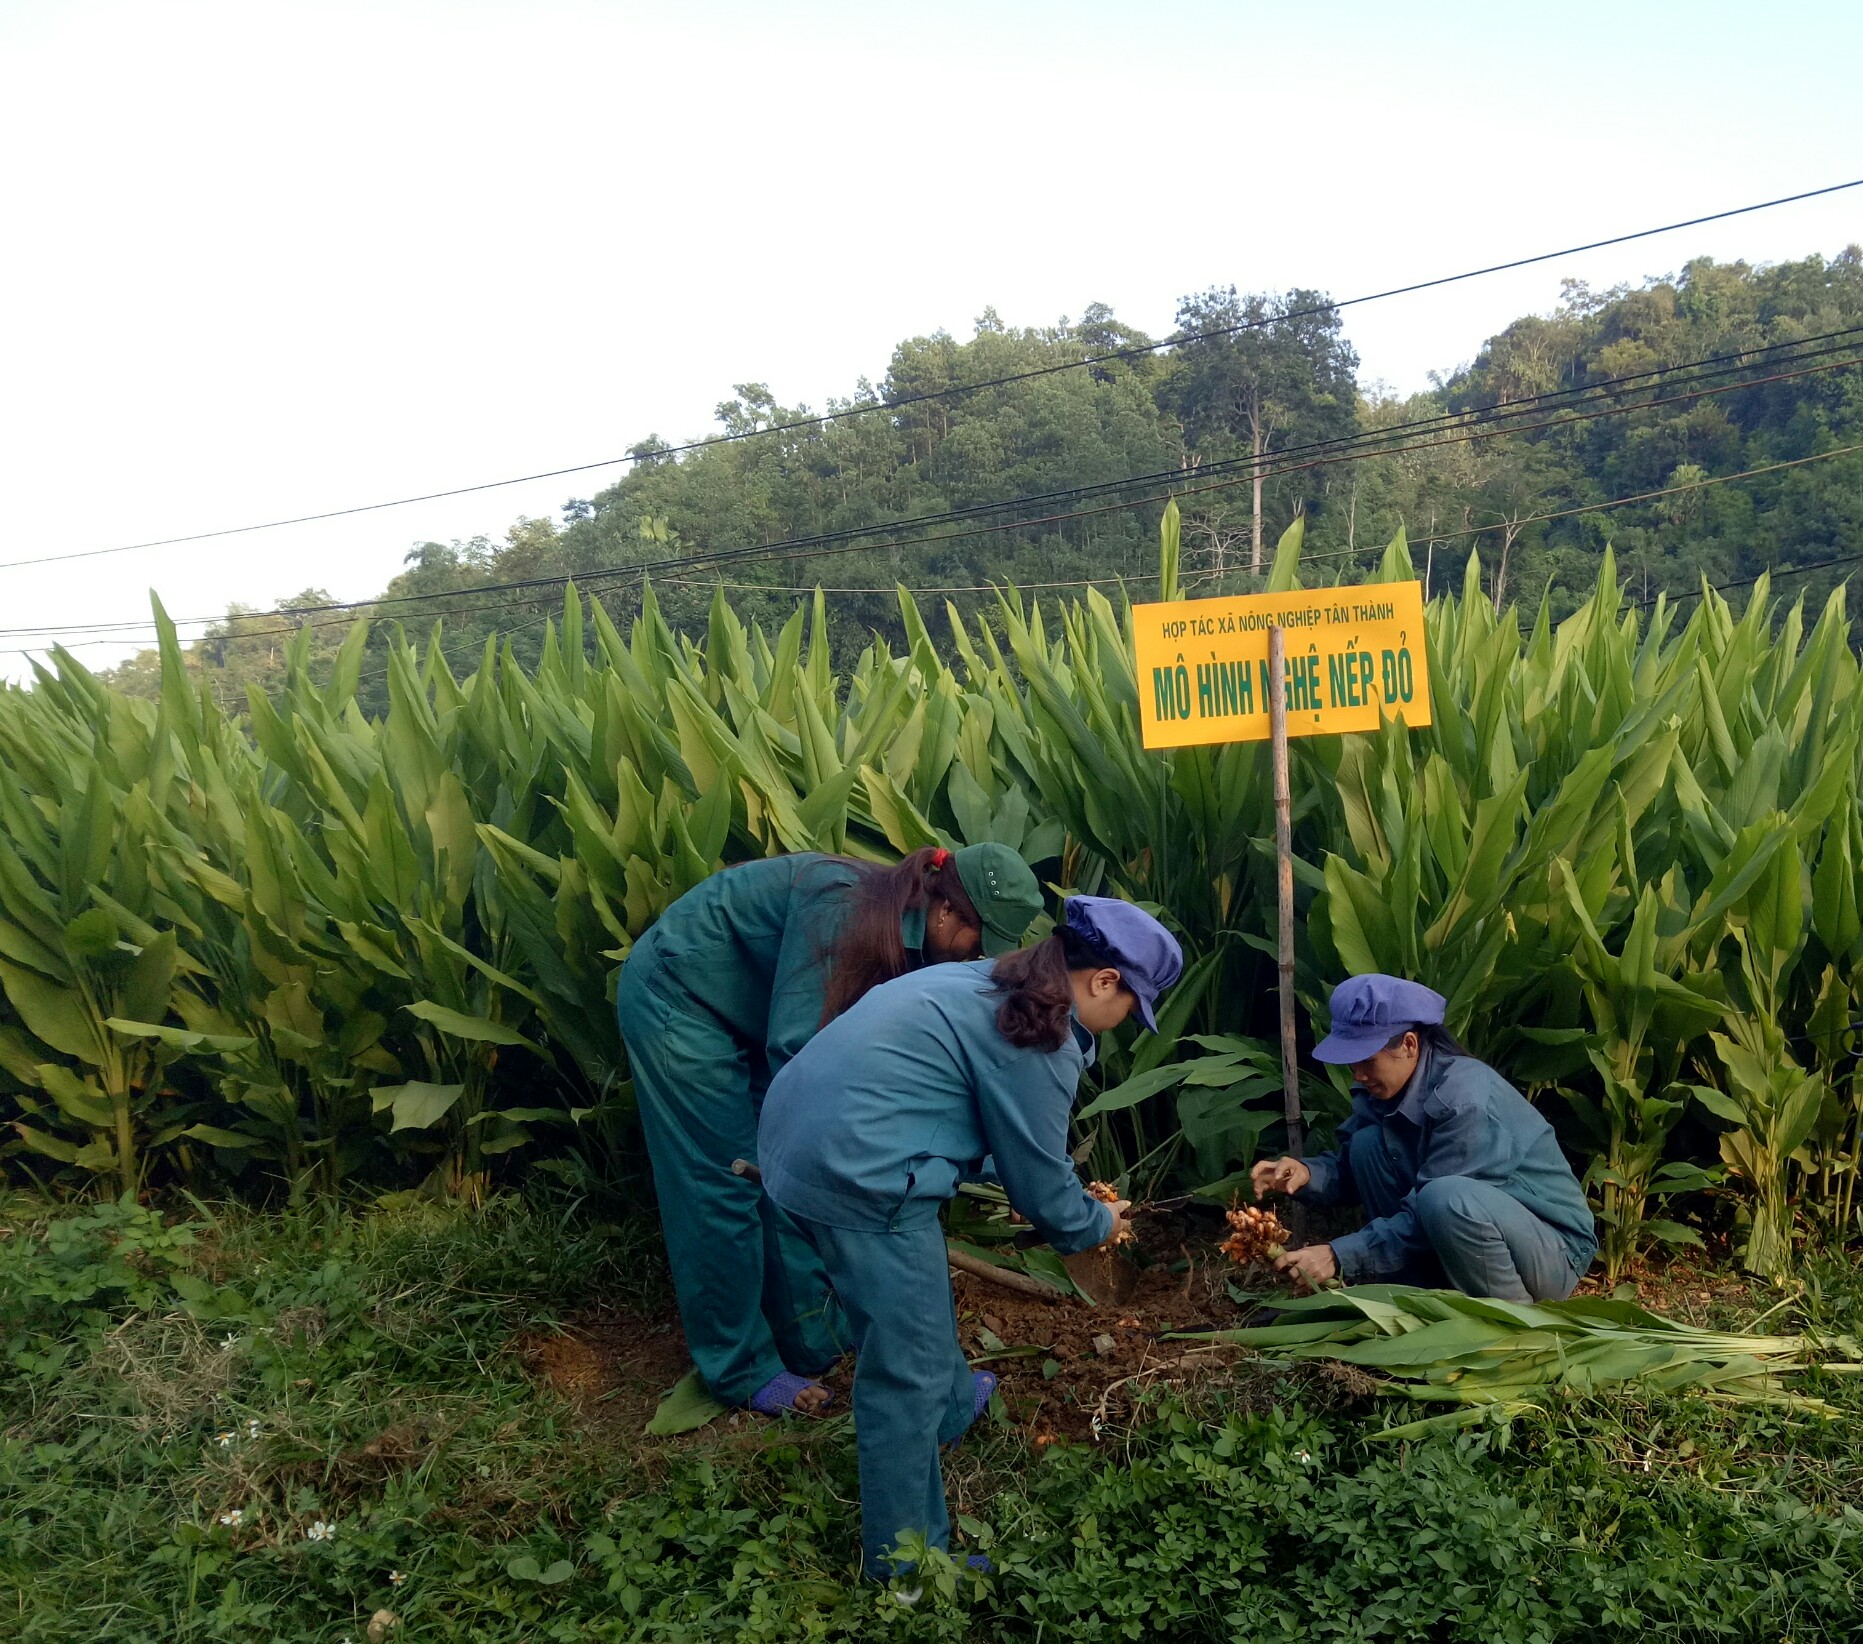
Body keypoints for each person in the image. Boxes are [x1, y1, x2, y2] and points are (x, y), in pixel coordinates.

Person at [758, 896, 1184, 1579]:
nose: (1128, 1020)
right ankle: (906, 1571)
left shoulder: (991, 980)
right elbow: (1051, 1197)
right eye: (1135, 1005)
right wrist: (1099, 1221)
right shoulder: (1042, 1037)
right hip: (857, 1173)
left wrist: (1016, 1179)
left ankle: (953, 1409)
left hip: (799, 1138)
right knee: (905, 1373)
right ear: (1104, 980)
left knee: (912, 1307)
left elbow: (952, 1097)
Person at [614, 843, 1044, 1418]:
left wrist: (1006, 1166)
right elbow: (803, 1057)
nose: (977, 961)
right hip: (684, 1002)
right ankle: (740, 1368)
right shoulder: (845, 906)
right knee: (726, 1182)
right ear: (946, 913)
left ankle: (809, 1334)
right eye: (978, 941)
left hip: (765, 1013)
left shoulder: (923, 945)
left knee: (790, 1174)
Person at [1251, 974, 1597, 1302]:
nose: (1358, 1075)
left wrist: (1338, 1255)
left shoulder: (1465, 1098)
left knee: (1445, 1197)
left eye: (1367, 1061)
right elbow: (1349, 1171)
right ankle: (1417, 1292)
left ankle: (1509, 1321)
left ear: (1410, 1045)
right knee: (1367, 1146)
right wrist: (1305, 1174)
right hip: (1470, 1230)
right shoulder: (1384, 1090)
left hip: (1554, 1251)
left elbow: (1431, 1208)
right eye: (1351, 1063)